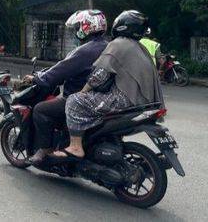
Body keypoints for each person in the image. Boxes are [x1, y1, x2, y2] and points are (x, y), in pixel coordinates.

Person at [53, 10, 164, 161]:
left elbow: (100, 76)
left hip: (125, 100)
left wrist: (83, 91)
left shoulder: (118, 44)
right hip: (145, 102)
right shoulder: (140, 48)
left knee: (74, 101)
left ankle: (76, 147)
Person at [22, 9, 108, 164]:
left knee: (40, 110)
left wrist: (37, 78)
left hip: (78, 97)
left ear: (86, 27)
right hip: (101, 98)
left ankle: (46, 149)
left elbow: (60, 70)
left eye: (78, 27)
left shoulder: (85, 50)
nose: (76, 31)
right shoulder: (107, 46)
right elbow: (63, 66)